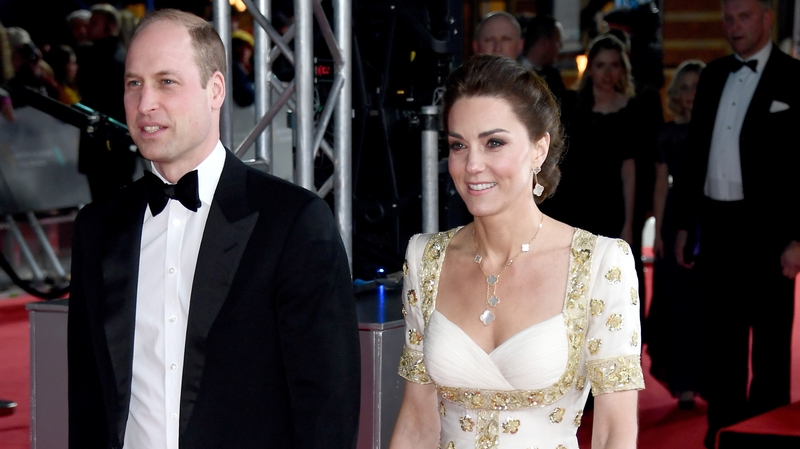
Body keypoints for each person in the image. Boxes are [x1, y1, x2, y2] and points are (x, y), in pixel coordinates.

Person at [67, 9, 361, 449]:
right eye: (134, 83)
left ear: (215, 90)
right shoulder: (97, 228)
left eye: (167, 81)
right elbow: (89, 401)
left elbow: (327, 410)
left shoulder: (291, 222)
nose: (145, 103)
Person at [389, 54, 644, 449]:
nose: (472, 164)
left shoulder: (601, 263)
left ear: (539, 149)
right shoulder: (426, 259)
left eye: (494, 143)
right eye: (459, 145)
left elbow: (615, 432)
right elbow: (417, 423)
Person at [672, 1, 800, 447]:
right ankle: (721, 431)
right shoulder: (712, 75)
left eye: (743, 17)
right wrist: (683, 224)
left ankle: (765, 437)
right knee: (721, 344)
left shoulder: (795, 77)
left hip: (769, 232)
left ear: (767, 17)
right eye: (728, 17)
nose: (734, 26)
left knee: (769, 348)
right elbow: (693, 159)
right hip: (718, 226)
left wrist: (798, 238)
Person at [645, 59, 705, 410]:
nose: (690, 95)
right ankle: (684, 384)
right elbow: (660, 187)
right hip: (675, 218)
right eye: (684, 88)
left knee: (708, 305)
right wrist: (659, 232)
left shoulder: (716, 132)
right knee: (679, 306)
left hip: (710, 219)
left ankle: (709, 379)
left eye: (697, 87)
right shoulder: (667, 134)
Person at [541, 34, 638, 245]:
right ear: (590, 68)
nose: (607, 73)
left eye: (613, 65)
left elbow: (629, 170)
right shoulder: (571, 104)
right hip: (572, 201)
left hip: (611, 204)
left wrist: (628, 222)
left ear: (622, 68)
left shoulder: (630, 110)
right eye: (601, 65)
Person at [74, 3, 137, 202]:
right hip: (104, 147)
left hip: (111, 148)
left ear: (110, 27)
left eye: (94, 23)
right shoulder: (97, 56)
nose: (88, 28)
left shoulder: (114, 60)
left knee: (113, 208)